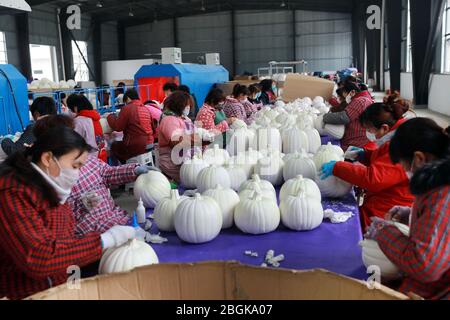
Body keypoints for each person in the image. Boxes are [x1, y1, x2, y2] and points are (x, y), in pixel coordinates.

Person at [0, 126, 136, 299]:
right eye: (75, 165)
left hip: (59, 290)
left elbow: (67, 250)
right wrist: (105, 240)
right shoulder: (11, 193)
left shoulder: (55, 191)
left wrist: (75, 288)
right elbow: (40, 258)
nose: (77, 174)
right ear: (48, 158)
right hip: (26, 294)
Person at [32, 115, 158, 236]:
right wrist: (81, 205)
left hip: (117, 220)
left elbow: (107, 173)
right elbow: (58, 224)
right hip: (93, 235)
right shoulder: (46, 182)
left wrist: (134, 170)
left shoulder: (88, 160)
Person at [367, 118, 449, 300]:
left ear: (419, 158)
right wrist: (412, 215)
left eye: (404, 165)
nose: (404, 171)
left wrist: (382, 231)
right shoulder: (437, 180)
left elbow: (424, 266)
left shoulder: (442, 195)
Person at [320, 101, 414, 231]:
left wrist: (338, 167)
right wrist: (366, 155)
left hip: (390, 206)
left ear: (385, 128)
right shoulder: (397, 137)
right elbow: (384, 162)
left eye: (370, 130)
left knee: (365, 231)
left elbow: (374, 178)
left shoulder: (401, 144)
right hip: (386, 196)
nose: (369, 134)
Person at [158, 91, 198, 182]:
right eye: (186, 105)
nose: (188, 108)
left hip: (186, 160)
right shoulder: (169, 120)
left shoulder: (183, 118)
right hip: (172, 163)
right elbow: (175, 142)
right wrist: (195, 139)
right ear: (178, 105)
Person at [107, 89, 154, 163]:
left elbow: (118, 127)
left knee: (114, 146)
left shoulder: (128, 108)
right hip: (150, 144)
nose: (125, 104)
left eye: (125, 102)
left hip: (137, 146)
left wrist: (110, 117)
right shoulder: (145, 108)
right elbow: (153, 127)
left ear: (128, 98)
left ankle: (125, 167)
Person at [322, 82, 373, 151]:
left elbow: (343, 117)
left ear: (352, 92)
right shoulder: (363, 99)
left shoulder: (360, 101)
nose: (345, 99)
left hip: (356, 142)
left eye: (345, 96)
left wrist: (324, 117)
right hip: (355, 140)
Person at [66, 94, 107, 162]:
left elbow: (74, 143)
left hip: (90, 159)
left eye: (70, 109)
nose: (70, 112)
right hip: (101, 155)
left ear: (75, 108)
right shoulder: (94, 116)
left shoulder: (79, 121)